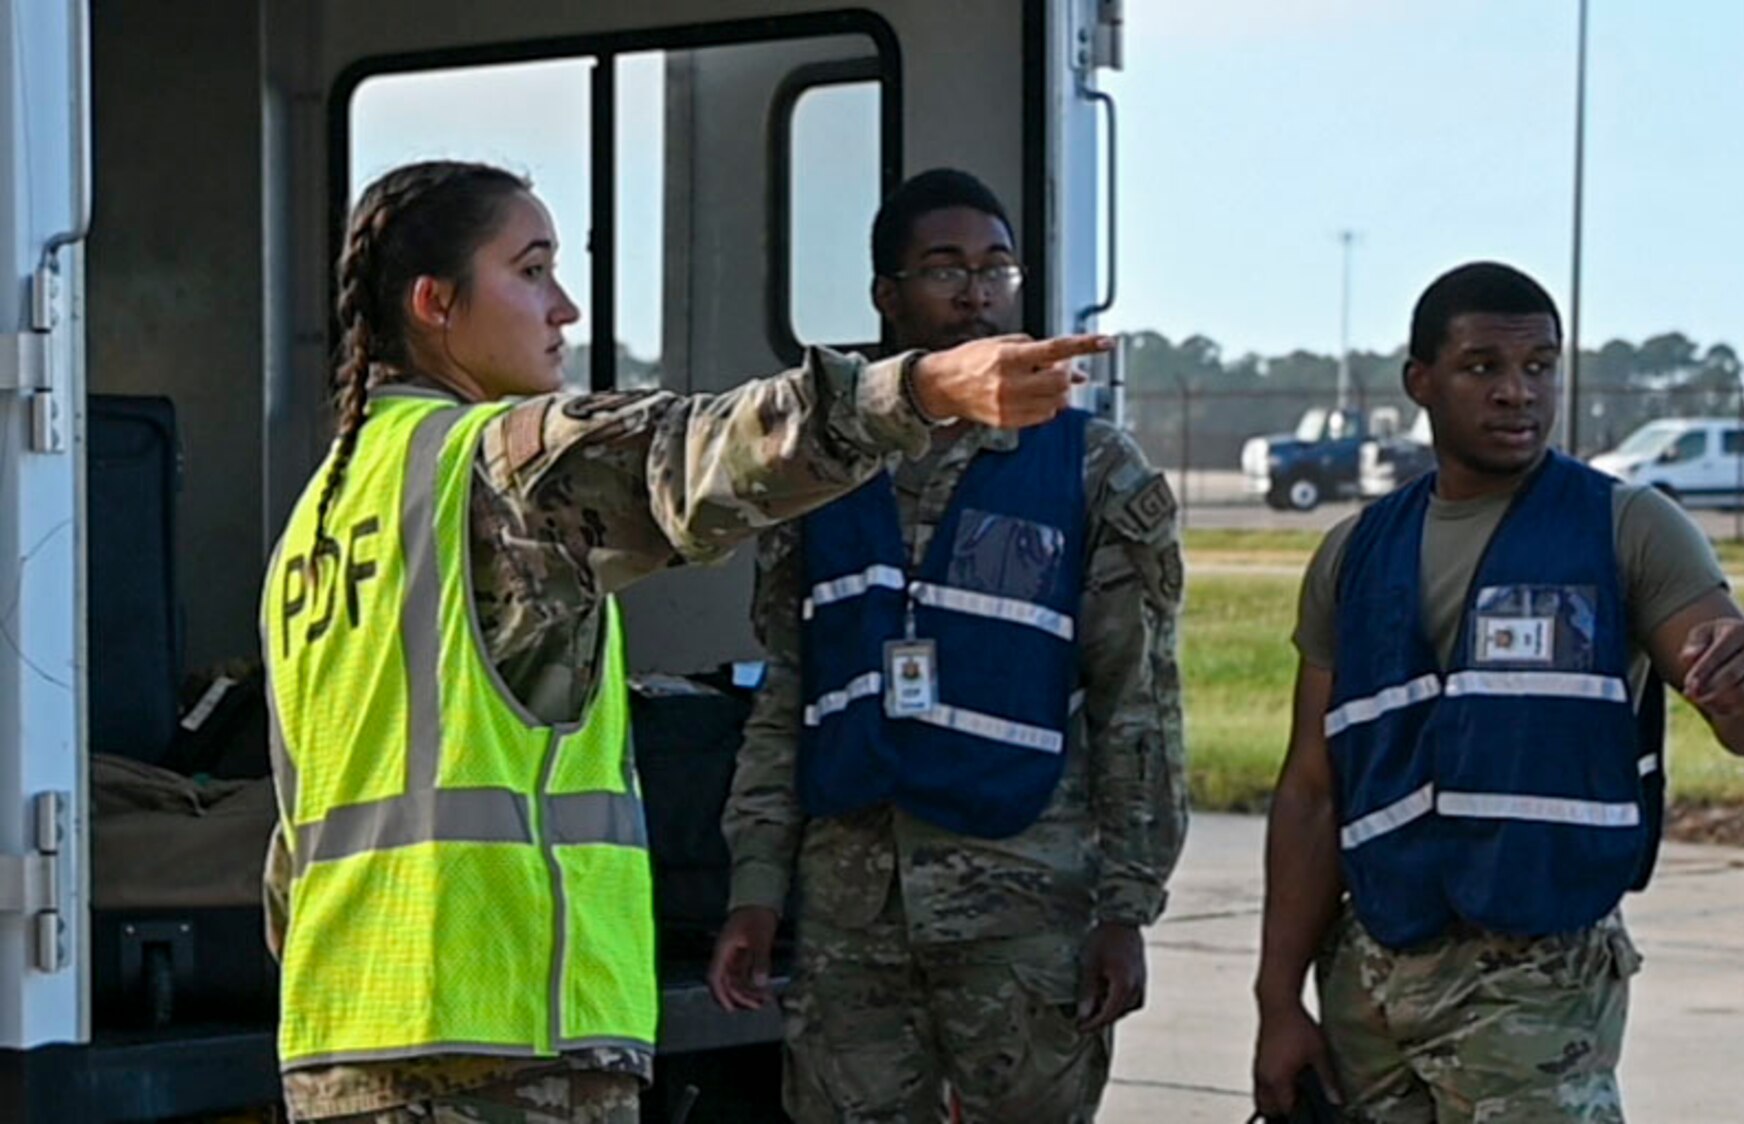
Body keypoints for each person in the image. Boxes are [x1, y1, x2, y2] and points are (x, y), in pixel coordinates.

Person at [258, 159, 1109, 1124]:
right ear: (434, 304)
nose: (565, 309)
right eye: (532, 271)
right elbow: (698, 452)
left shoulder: (324, 519)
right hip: (498, 1044)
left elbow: (293, 846)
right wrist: (916, 392)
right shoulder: (492, 469)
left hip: (345, 1041)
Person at [1251, 262, 1744, 1123]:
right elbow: (1311, 792)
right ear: (1420, 382)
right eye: (1484, 368)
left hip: (1537, 984)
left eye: (1540, 367)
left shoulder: (1626, 527)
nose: (1519, 393)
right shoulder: (1354, 554)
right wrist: (1278, 1003)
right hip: (1371, 982)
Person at [706, 168, 1188, 1122]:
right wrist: (757, 888)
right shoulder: (822, 470)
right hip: (853, 915)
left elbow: (1139, 701)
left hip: (1024, 909)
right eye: (944, 269)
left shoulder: (1090, 468)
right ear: (886, 298)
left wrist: (1128, 908)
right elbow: (784, 696)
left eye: (997, 268)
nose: (976, 291)